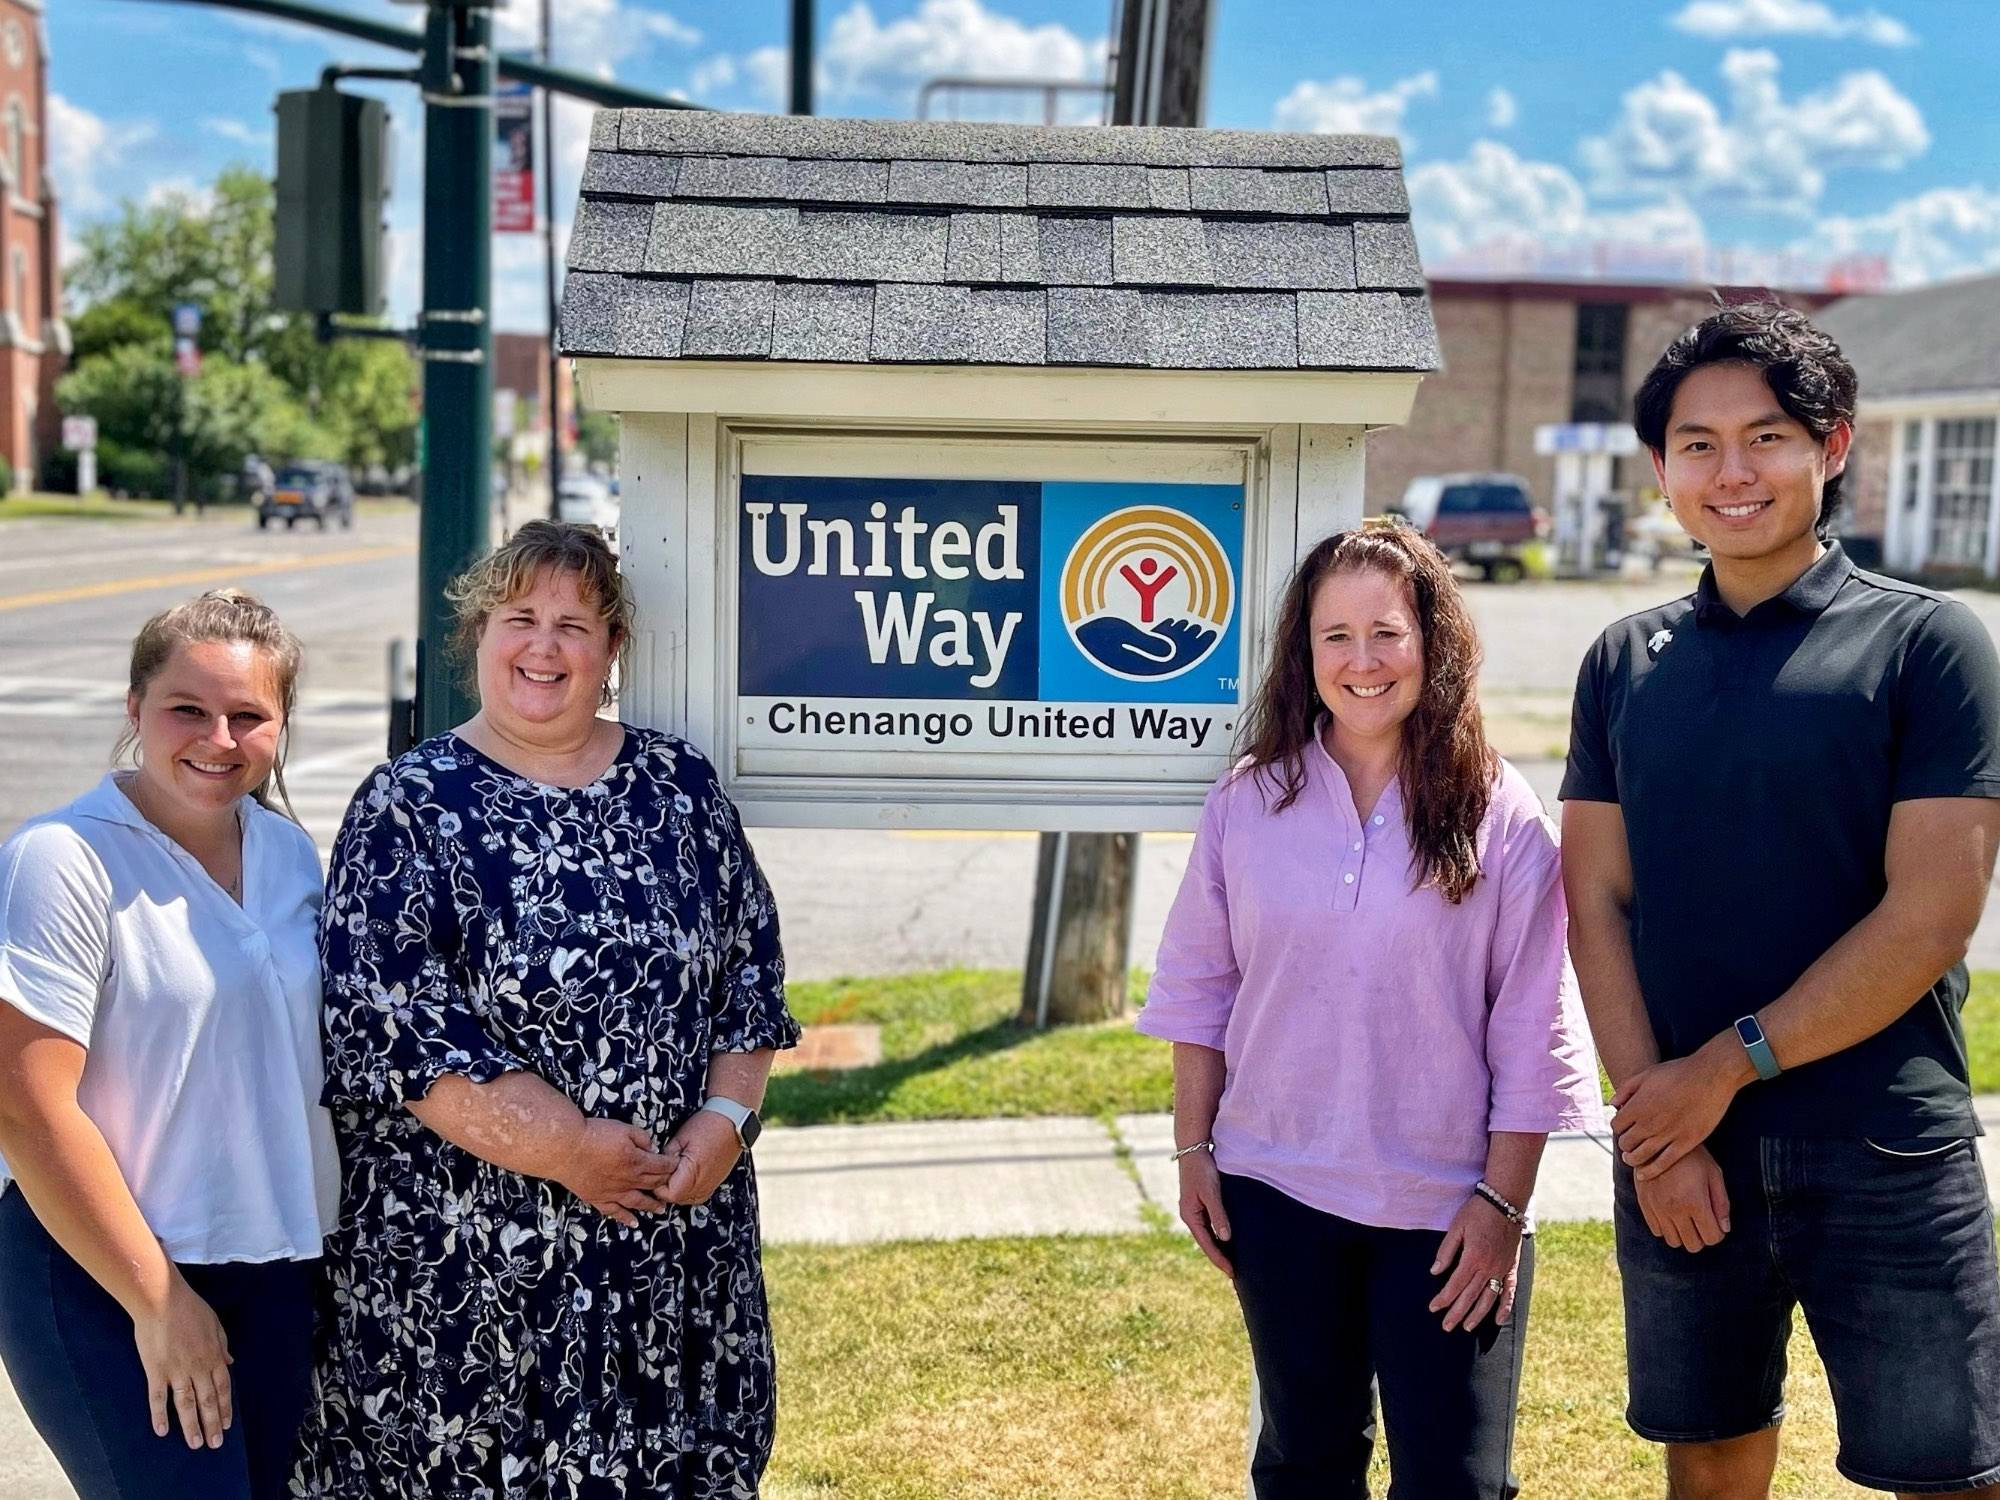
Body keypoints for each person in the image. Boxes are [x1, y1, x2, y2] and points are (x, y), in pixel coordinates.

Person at [1562, 301, 2000, 1497]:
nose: (1731, 473)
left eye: (1764, 437)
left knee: (1950, 1476)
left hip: (1883, 1141)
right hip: (1684, 1143)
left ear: (1831, 446)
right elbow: (1593, 903)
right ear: (1660, 473)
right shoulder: (1622, 662)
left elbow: (1929, 916)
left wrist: (1720, 1068)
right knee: (1707, 1456)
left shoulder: (1927, 646)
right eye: (1695, 446)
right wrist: (1655, 1129)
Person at [293, 520, 800, 1499]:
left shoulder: (680, 788)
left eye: (574, 624)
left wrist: (724, 1120)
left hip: (668, 1248)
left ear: (610, 649)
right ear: (479, 636)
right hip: (471, 1271)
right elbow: (394, 1031)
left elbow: (751, 975)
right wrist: (568, 1149)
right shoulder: (407, 805)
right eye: (519, 618)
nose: (544, 645)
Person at [1138, 522, 1601, 1498]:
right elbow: (1199, 988)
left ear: (1431, 642)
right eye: (1336, 636)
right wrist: (1192, 1152)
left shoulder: (1499, 810)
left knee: (1456, 1483)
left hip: (1450, 1208)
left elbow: (1533, 1030)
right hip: (1277, 1190)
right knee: (1305, 1468)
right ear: (1303, 654)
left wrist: (1501, 1205)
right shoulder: (1248, 801)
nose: (1362, 661)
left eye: (1386, 632)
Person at [0, 589, 337, 1500]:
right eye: (187, 709)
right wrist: (157, 1300)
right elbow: (26, 1111)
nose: (218, 740)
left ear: (280, 726)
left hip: (274, 1268)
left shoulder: (288, 853)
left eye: (248, 716)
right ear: (135, 708)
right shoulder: (61, 860)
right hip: (107, 1271)